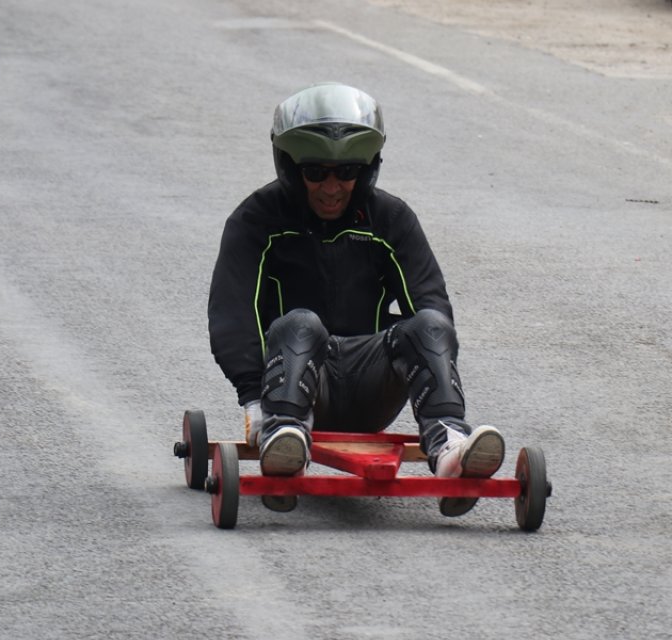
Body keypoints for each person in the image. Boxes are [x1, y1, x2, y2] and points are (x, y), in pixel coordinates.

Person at [207, 82, 504, 517]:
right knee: (300, 323)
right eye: (316, 173)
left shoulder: (391, 220)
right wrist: (253, 396)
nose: (332, 188)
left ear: (365, 171)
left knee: (431, 324)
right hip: (294, 384)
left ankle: (450, 445)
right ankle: (284, 438)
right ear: (291, 168)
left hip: (371, 385)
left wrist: (430, 352)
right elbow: (232, 312)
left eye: (346, 172)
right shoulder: (256, 221)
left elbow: (431, 306)